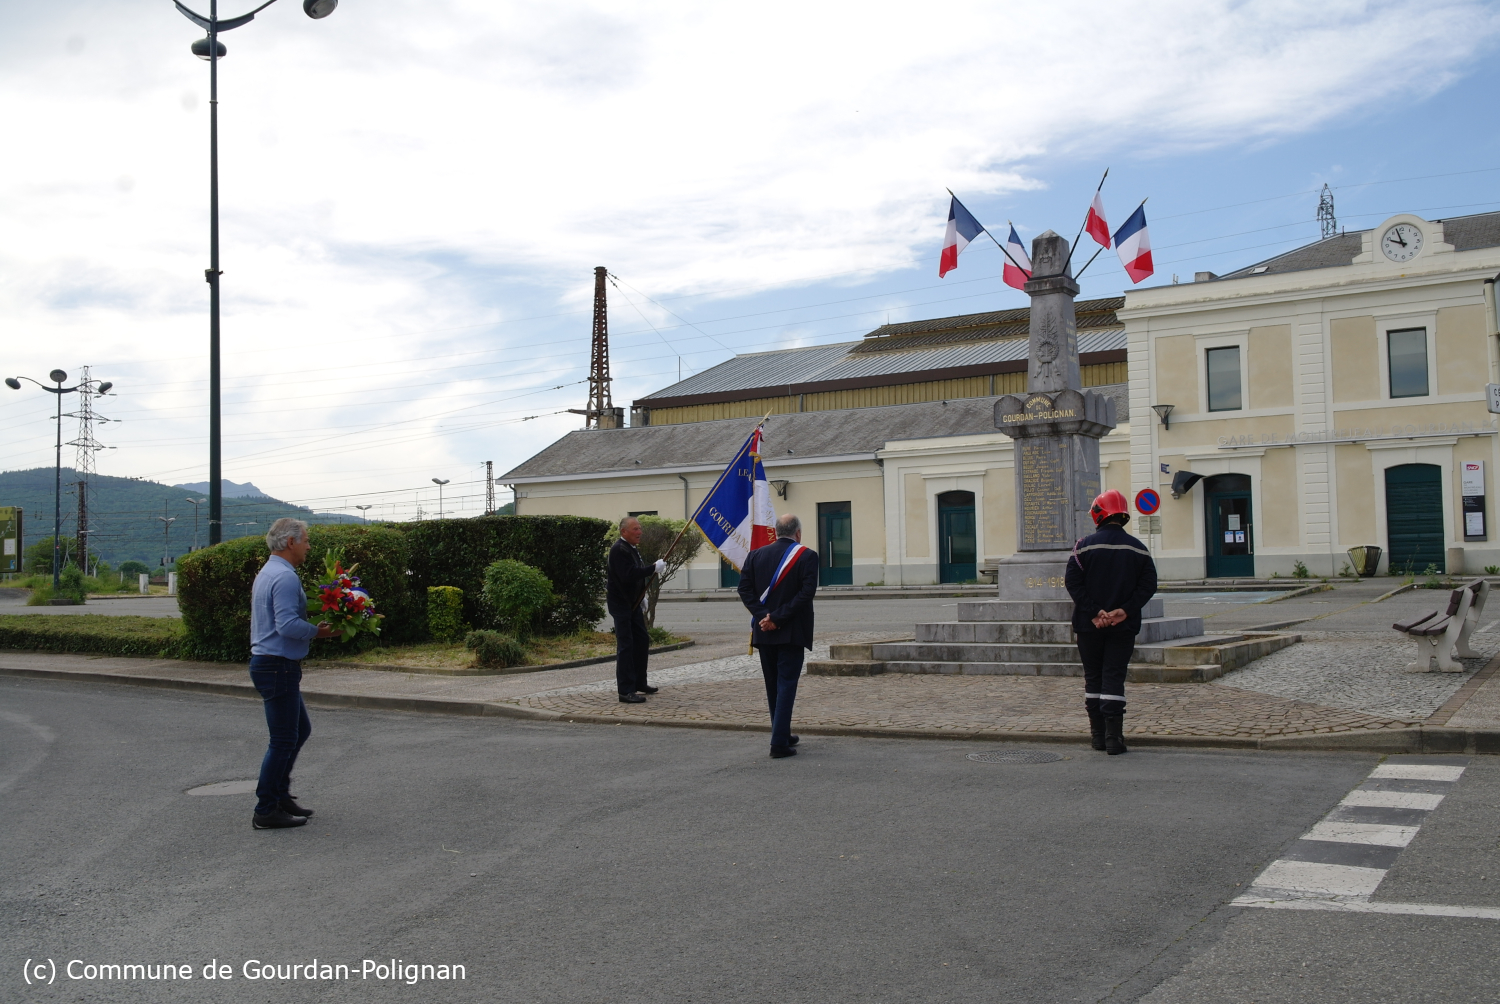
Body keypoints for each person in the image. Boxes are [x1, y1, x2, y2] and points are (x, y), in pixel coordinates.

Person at [249, 518, 334, 829]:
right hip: (277, 665)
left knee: (299, 731)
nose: (309, 546)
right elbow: (286, 626)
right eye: (306, 540)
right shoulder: (283, 577)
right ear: (290, 543)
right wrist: (320, 633)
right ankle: (266, 808)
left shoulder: (270, 571)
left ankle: (280, 796)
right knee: (284, 739)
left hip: (272, 664)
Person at [1064, 490, 1158, 756]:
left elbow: (1073, 583)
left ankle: (1097, 737)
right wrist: (1124, 611)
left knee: (1093, 677)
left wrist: (1095, 613)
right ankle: (1114, 738)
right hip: (1123, 627)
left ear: (1098, 513)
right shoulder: (1139, 548)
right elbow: (1148, 585)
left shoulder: (1083, 546)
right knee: (1114, 676)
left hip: (1088, 626)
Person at [737, 513, 819, 758]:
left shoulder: (755, 555)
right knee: (786, 685)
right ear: (798, 533)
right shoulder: (807, 556)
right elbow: (806, 594)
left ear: (776, 532)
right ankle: (778, 745)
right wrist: (778, 618)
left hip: (764, 631)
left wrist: (764, 616)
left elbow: (744, 589)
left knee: (773, 685)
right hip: (791, 631)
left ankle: (780, 732)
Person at [607, 516, 666, 703]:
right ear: (624, 531)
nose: (639, 532)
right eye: (635, 529)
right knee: (626, 646)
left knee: (641, 641)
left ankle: (639, 682)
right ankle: (625, 690)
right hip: (621, 604)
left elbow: (635, 576)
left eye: (639, 528)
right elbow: (628, 575)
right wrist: (653, 568)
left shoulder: (631, 549)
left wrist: (643, 597)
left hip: (633, 603)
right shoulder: (619, 550)